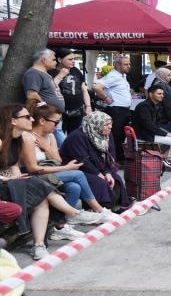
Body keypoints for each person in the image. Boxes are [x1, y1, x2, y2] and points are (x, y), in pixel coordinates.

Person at [1, 104, 102, 259]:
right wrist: (9, 179)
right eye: (27, 116)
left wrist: (17, 179)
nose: (31, 119)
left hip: (13, 180)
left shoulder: (19, 139)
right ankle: (74, 213)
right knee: (71, 177)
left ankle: (39, 245)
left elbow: (14, 166)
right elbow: (30, 168)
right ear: (13, 121)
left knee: (43, 199)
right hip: (3, 181)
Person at [22, 101, 113, 233]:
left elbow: (58, 160)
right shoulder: (27, 137)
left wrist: (46, 147)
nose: (58, 125)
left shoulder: (50, 136)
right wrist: (65, 168)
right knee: (78, 174)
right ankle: (98, 210)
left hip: (47, 171)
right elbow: (32, 169)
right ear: (42, 121)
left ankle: (62, 224)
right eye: (56, 122)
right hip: (32, 175)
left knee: (74, 187)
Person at [59, 111, 133, 213]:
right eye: (107, 124)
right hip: (77, 168)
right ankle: (96, 210)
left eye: (111, 123)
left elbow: (111, 156)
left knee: (115, 178)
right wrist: (99, 174)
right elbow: (82, 160)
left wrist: (107, 172)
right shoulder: (77, 136)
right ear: (96, 124)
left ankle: (112, 207)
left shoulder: (107, 135)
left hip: (98, 166)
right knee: (99, 182)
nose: (110, 127)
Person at [131, 85, 171, 171]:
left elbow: (158, 123)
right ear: (151, 94)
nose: (162, 95)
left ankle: (168, 159)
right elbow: (148, 125)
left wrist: (170, 132)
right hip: (145, 135)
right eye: (159, 93)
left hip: (152, 132)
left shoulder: (156, 105)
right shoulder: (144, 106)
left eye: (162, 93)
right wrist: (167, 134)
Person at [22, 48, 66, 147]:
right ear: (43, 60)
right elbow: (32, 95)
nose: (55, 62)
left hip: (53, 117)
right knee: (64, 145)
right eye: (53, 60)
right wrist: (47, 111)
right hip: (47, 118)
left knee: (55, 144)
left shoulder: (45, 74)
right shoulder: (34, 73)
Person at [93, 56, 132, 163]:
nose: (128, 66)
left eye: (129, 64)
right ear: (118, 65)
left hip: (124, 109)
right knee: (116, 135)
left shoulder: (122, 76)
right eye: (126, 64)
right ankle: (114, 158)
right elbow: (97, 87)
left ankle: (118, 157)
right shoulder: (113, 76)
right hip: (116, 109)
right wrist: (106, 98)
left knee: (121, 135)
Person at [48, 48, 92, 135]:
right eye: (70, 59)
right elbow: (50, 88)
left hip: (77, 109)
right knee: (59, 136)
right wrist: (60, 75)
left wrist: (88, 106)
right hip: (60, 111)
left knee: (75, 135)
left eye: (74, 59)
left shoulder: (76, 71)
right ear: (59, 59)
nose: (73, 61)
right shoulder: (51, 72)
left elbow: (84, 90)